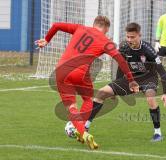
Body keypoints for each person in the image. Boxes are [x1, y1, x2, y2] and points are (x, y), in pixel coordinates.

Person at [35, 16, 139, 149]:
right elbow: (120, 60)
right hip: (80, 74)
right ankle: (82, 128)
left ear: (94, 24)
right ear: (106, 28)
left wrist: (47, 40)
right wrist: (131, 80)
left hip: (61, 71)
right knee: (88, 100)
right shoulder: (105, 40)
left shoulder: (80, 28)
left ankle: (83, 133)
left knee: (71, 106)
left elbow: (56, 25)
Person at [84, 23, 166, 142]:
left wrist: (165, 93)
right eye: (128, 37)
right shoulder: (124, 47)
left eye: (132, 37)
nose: (130, 40)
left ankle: (157, 133)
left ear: (139, 35)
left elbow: (161, 71)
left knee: (150, 97)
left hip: (148, 78)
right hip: (131, 79)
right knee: (101, 93)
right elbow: (121, 65)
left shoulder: (148, 50)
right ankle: (86, 126)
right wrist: (116, 86)